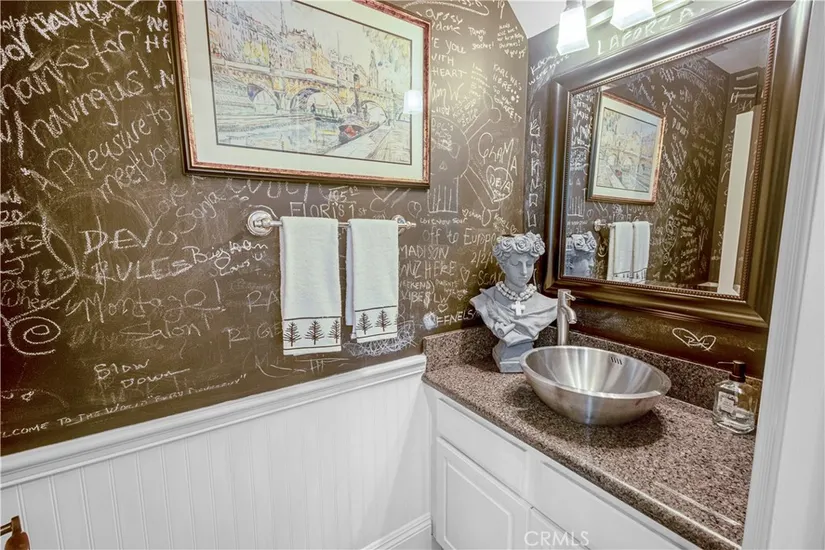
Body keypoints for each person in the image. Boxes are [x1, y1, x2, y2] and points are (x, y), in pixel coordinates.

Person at [470, 232, 558, 372]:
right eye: (517, 264)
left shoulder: (549, 305)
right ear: (503, 266)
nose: (524, 271)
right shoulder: (485, 301)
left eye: (528, 264)